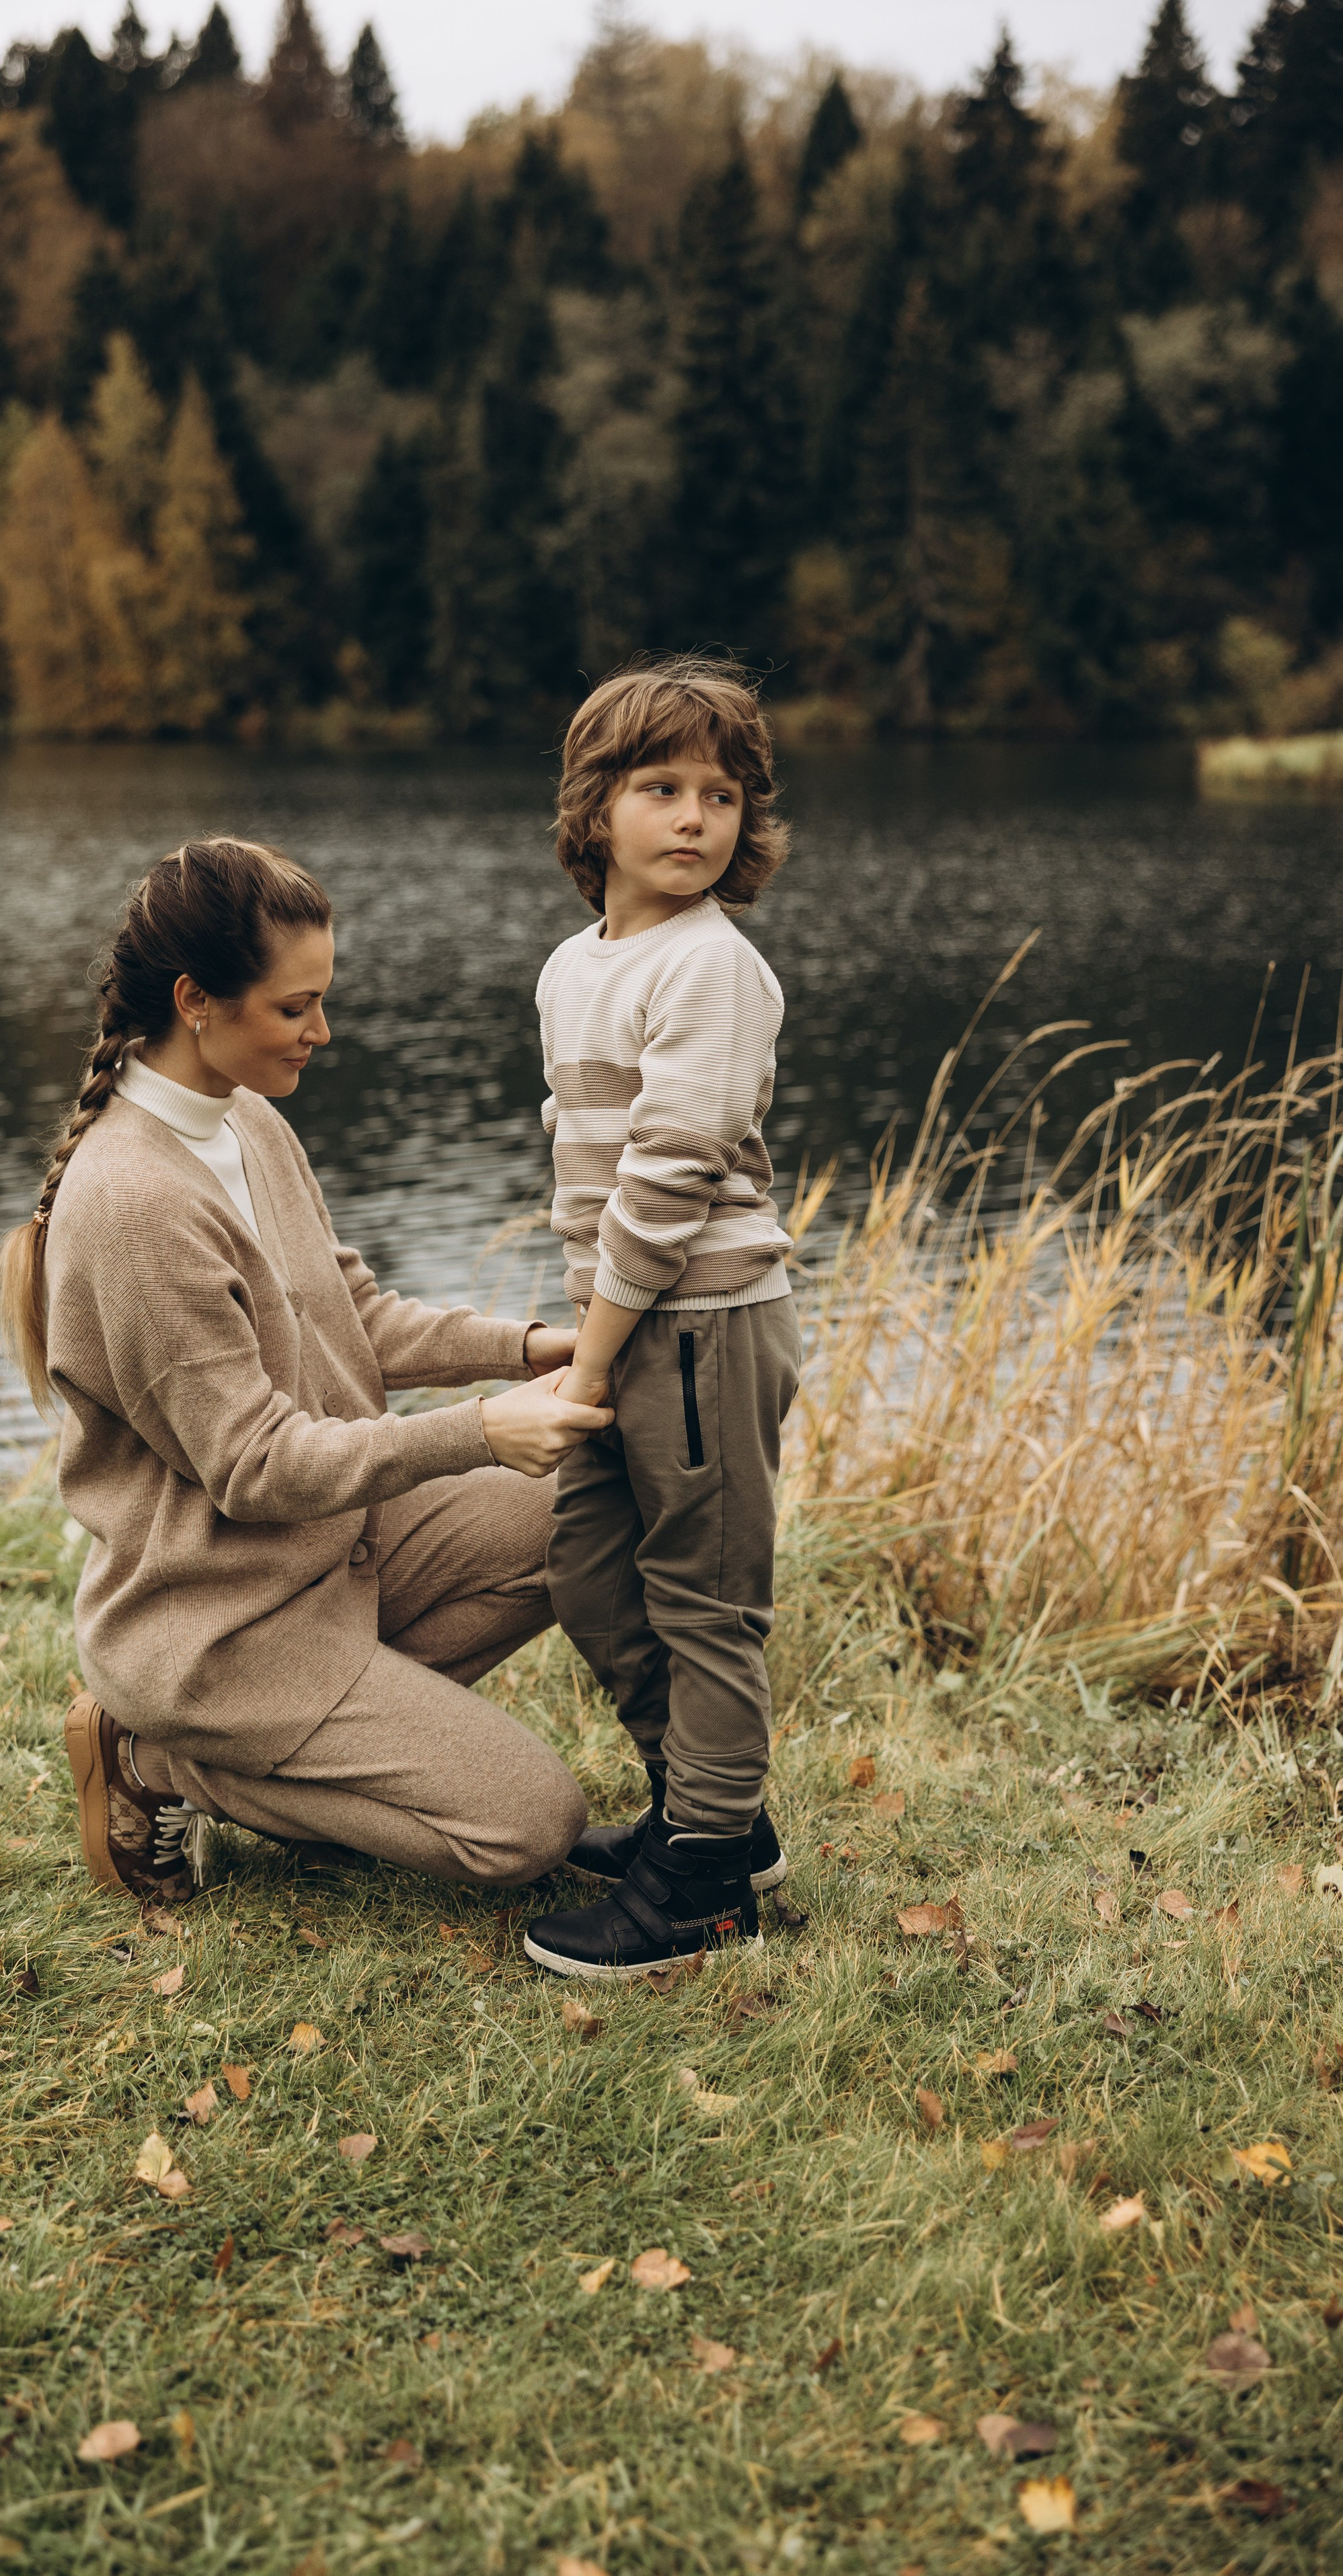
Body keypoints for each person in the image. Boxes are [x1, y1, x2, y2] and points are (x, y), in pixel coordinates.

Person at [0, 836, 611, 1902]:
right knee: (530, 1829)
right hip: (221, 1622)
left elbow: (354, 1320)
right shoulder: (138, 1203)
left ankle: (350, 1759)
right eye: (295, 1008)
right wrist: (479, 1430)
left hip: (336, 1556)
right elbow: (254, 1468)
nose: (322, 1032)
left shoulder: (250, 1124)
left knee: (584, 1504)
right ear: (196, 1000)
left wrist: (527, 1348)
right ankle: (161, 1760)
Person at [520, 659, 802, 1981]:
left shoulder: (713, 968)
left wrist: (600, 1337)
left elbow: (669, 1170)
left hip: (697, 1323)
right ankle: (709, 1815)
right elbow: (580, 1153)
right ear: (596, 809)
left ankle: (698, 1891)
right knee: (585, 1565)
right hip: (622, 1320)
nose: (695, 818)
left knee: (703, 1604)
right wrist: (590, 1326)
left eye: (721, 793)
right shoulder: (577, 966)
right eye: (660, 788)